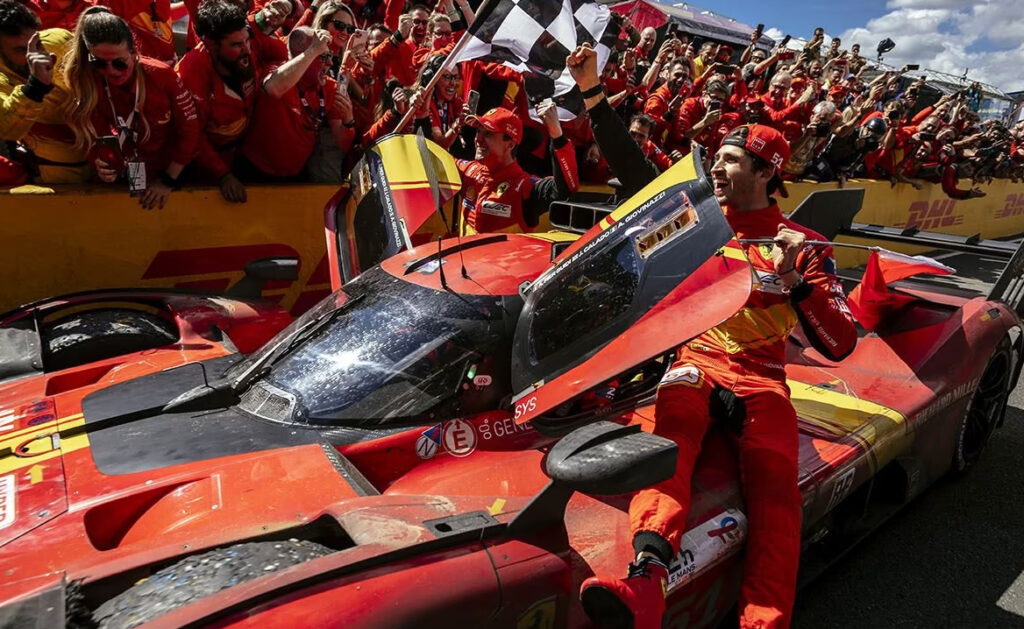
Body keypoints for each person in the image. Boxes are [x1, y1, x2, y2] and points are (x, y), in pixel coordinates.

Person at [565, 42, 858, 629]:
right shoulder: (697, 222)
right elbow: (636, 171)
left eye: (727, 160)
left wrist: (797, 280)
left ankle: (765, 623)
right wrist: (594, 92)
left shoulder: (803, 243)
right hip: (695, 360)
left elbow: (840, 343)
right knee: (668, 444)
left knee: (778, 492)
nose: (713, 170)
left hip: (763, 380)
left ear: (766, 171)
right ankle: (645, 584)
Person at [64, 6, 198, 208]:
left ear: (134, 51)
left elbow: (190, 131)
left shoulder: (162, 75)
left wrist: (168, 180)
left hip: (171, 172)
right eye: (99, 63)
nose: (111, 71)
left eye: (119, 63)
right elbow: (90, 132)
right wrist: (99, 162)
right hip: (126, 174)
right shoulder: (86, 80)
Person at [240, 26, 354, 180]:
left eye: (330, 56)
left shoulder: (329, 87)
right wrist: (313, 50)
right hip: (253, 171)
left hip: (294, 176)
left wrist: (348, 121)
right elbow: (273, 88)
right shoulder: (276, 71)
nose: (329, 63)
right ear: (301, 56)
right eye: (323, 56)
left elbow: (343, 143)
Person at [177, 0, 261, 202]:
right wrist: (223, 175)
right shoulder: (189, 77)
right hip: (203, 166)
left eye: (246, 40)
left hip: (245, 152)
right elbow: (192, 135)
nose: (246, 50)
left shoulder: (249, 47)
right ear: (211, 45)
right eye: (236, 44)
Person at [0, 0, 89, 182]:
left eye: (37, 43)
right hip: (47, 186)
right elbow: (7, 130)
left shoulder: (62, 42)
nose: (34, 55)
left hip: (104, 173)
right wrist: (35, 87)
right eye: (21, 50)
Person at [456, 103, 577, 234]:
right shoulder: (469, 170)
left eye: (488, 134)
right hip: (465, 254)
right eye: (478, 131)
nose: (478, 139)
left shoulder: (524, 187)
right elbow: (436, 160)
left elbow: (566, 190)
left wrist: (557, 134)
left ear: (510, 145)